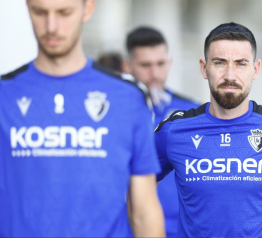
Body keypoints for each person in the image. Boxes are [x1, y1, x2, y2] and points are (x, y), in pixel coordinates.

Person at [0, 0, 164, 237]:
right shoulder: (5, 96)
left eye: (64, 12)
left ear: (87, 9)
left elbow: (143, 210)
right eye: (40, 12)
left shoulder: (127, 98)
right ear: (27, 8)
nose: (52, 26)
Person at [154, 22, 262, 237]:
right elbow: (129, 184)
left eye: (241, 64)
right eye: (220, 63)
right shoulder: (175, 131)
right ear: (204, 68)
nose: (230, 75)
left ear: (255, 69)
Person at [124, 26, 199, 237]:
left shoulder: (192, 112)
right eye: (145, 65)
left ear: (170, 63)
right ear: (127, 66)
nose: (155, 73)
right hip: (131, 230)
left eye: (160, 64)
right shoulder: (113, 113)